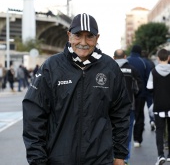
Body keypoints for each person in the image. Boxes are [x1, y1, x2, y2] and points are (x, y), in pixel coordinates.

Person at [22, 13, 131, 165]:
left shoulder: (110, 68)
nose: (83, 42)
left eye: (89, 36)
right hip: (58, 159)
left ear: (97, 38)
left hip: (100, 160)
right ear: (69, 35)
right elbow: (34, 116)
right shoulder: (51, 67)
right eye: (78, 35)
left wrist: (119, 155)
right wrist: (37, 160)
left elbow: (121, 115)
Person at [114, 49, 142, 165]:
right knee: (127, 132)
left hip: (112, 107)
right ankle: (125, 158)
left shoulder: (109, 68)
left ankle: (112, 156)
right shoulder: (132, 69)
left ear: (114, 57)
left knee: (111, 132)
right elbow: (137, 88)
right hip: (129, 106)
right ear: (125, 57)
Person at [147, 49, 170, 165]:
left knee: (159, 131)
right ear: (168, 58)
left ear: (158, 58)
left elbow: (149, 88)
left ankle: (160, 155)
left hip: (158, 105)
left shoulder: (153, 72)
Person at [127, 45, 152, 147]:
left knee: (127, 118)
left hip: (127, 95)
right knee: (139, 116)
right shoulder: (144, 62)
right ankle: (137, 140)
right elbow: (148, 79)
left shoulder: (126, 61)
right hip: (140, 95)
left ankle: (126, 139)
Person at [141, 50, 156, 131]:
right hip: (150, 89)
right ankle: (152, 120)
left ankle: (141, 124)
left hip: (141, 90)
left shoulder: (140, 62)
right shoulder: (151, 63)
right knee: (150, 106)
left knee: (140, 109)